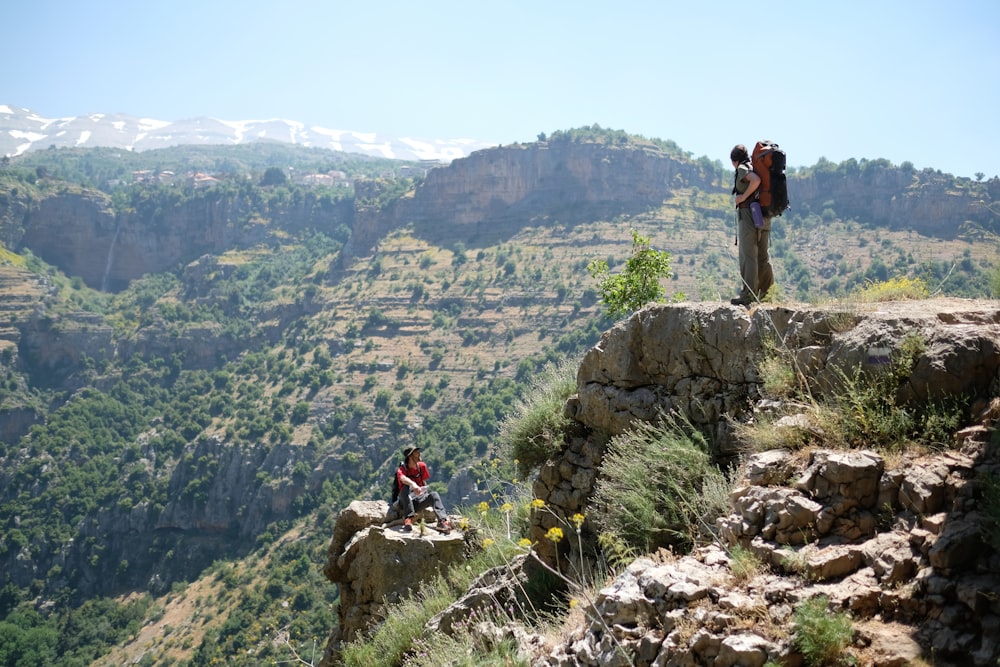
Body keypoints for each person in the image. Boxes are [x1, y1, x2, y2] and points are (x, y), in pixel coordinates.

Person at [730, 144, 774, 306]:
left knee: (748, 255)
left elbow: (756, 180)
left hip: (749, 215)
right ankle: (767, 293)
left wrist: (742, 197)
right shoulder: (756, 166)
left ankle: (748, 294)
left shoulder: (743, 168)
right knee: (762, 255)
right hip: (764, 214)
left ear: (734, 160)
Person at [396, 445, 452, 533]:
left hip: (418, 501)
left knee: (434, 495)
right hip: (405, 503)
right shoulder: (402, 469)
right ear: (410, 456)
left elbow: (423, 482)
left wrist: (424, 492)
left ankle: (442, 521)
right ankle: (408, 519)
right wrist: (413, 484)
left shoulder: (421, 467)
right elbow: (402, 478)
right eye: (416, 452)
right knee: (405, 488)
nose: (419, 453)